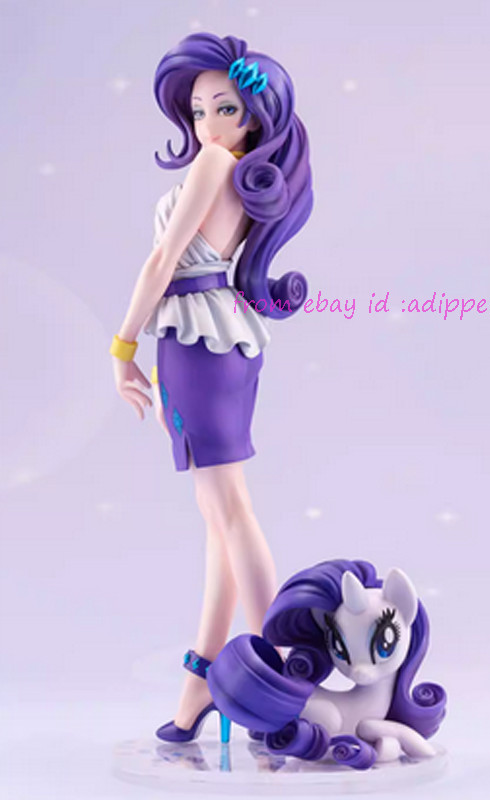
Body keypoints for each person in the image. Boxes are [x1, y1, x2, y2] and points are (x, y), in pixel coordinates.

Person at [109, 32, 313, 742]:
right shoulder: (238, 173)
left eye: (224, 109)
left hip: (198, 342)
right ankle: (200, 686)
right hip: (219, 337)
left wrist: (122, 345)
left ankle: (279, 678)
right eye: (198, 111)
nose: (207, 125)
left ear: (253, 116)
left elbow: (162, 260)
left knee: (230, 512)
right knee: (220, 517)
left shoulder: (214, 164)